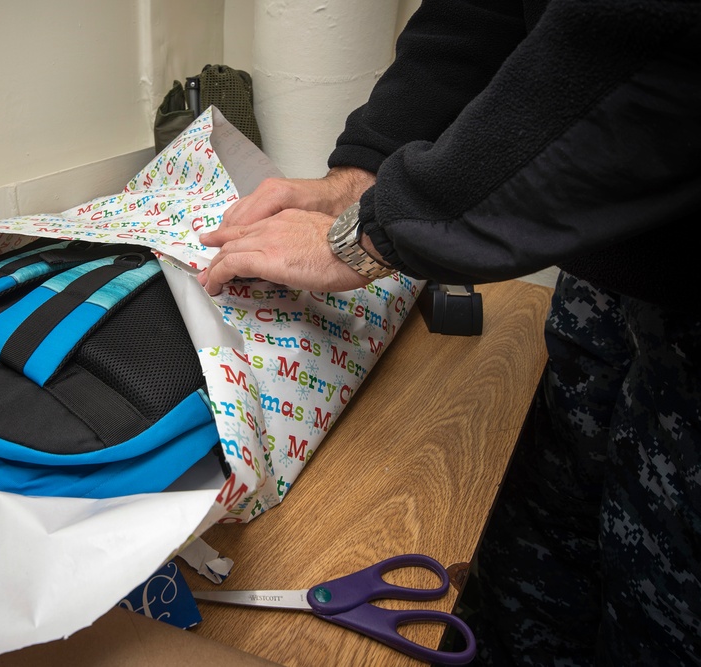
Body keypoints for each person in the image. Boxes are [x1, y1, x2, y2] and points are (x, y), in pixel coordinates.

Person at [197, 0, 701, 664]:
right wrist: (360, 171)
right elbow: (477, 16)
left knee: (662, 617)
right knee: (534, 556)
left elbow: (638, 48)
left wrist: (372, 234)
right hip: (607, 273)